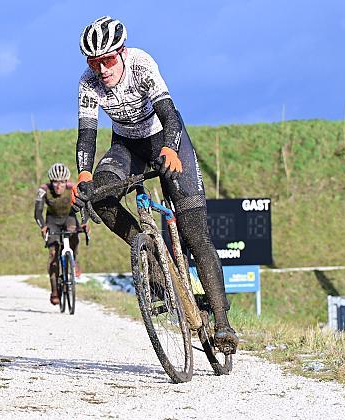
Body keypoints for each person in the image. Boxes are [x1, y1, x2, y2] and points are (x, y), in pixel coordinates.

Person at [71, 16, 238, 351]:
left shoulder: (142, 64)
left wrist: (170, 148)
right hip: (126, 147)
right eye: (94, 62)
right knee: (99, 196)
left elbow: (169, 113)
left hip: (166, 140)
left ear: (121, 52)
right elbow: (87, 135)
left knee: (195, 235)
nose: (101, 69)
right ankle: (150, 252)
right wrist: (85, 174)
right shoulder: (88, 83)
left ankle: (223, 323)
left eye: (107, 60)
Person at [34, 162, 84, 305]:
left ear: (66, 181)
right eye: (55, 182)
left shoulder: (73, 187)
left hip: (69, 218)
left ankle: (73, 260)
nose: (58, 186)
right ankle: (55, 290)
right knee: (53, 254)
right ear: (51, 182)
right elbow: (37, 212)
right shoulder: (43, 190)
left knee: (74, 235)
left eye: (62, 182)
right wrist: (43, 226)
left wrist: (85, 222)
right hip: (52, 221)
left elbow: (83, 207)